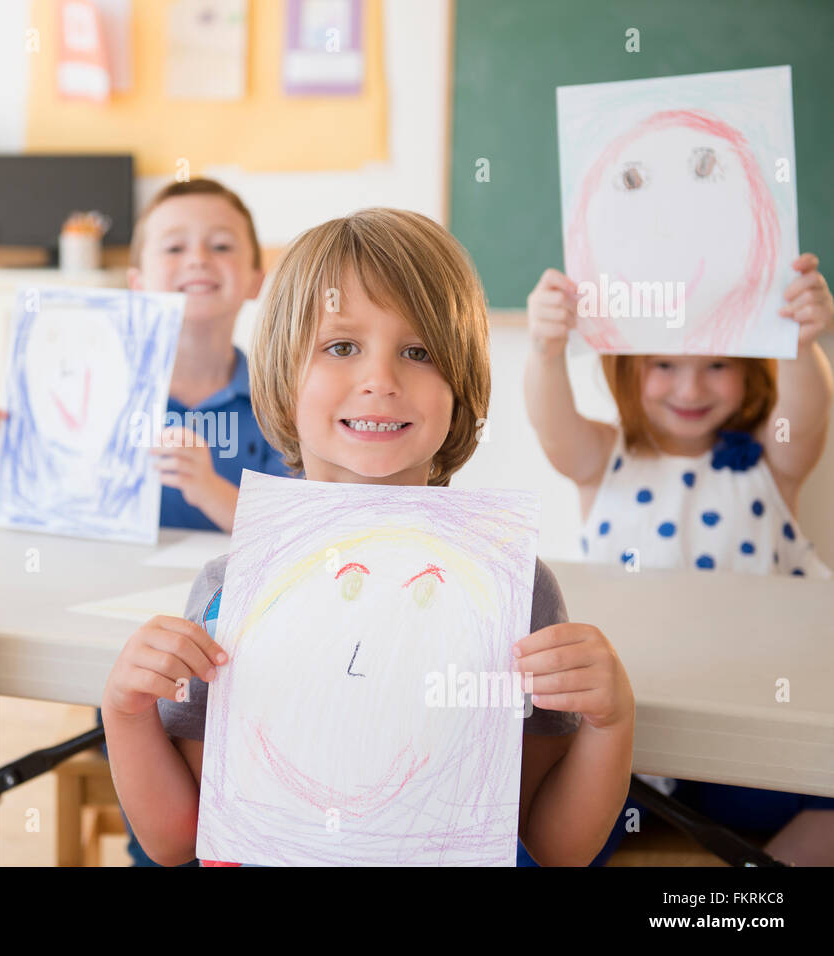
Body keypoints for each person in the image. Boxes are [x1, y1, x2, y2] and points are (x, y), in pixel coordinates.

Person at [102, 209, 636, 867]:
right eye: (341, 346)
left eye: (418, 352)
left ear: (460, 387)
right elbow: (175, 838)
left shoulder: (512, 589)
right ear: (283, 375)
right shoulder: (232, 585)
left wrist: (612, 723)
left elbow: (553, 845)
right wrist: (124, 711)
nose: (381, 379)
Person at [0, 179, 291, 865]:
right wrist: (11, 469)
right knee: (152, 757)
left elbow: (294, 540)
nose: (199, 258)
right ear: (138, 281)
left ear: (256, 277)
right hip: (122, 646)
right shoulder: (102, 393)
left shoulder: (280, 402)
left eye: (223, 245)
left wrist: (210, 489)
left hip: (242, 657)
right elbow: (64, 519)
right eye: (175, 246)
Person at [523, 255, 834, 864]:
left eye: (717, 365)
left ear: (752, 369)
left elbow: (809, 414)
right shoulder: (604, 457)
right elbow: (552, 423)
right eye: (664, 365)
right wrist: (545, 348)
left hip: (745, 738)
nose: (690, 389)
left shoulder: (773, 461)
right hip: (631, 743)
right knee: (567, 822)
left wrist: (802, 341)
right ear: (627, 368)